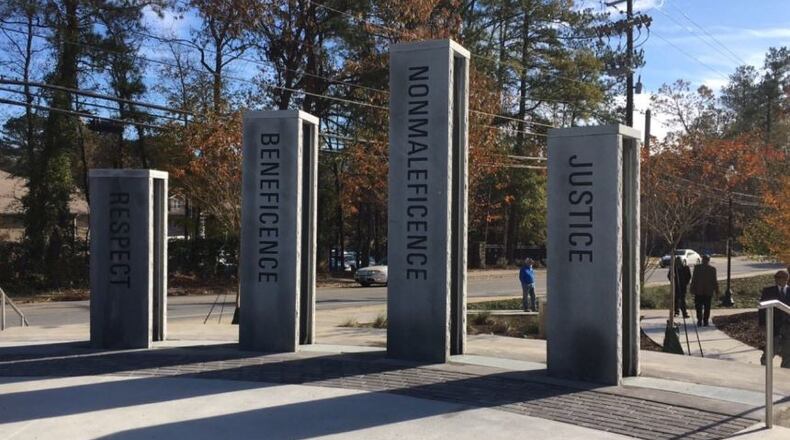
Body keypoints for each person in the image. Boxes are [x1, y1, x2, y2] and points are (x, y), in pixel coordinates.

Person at [759, 270, 790, 367]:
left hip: (788, 327)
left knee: (788, 352)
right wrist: (762, 324)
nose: (777, 279)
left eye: (780, 277)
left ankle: (785, 372)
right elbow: (762, 309)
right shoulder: (768, 291)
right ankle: (765, 370)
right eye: (776, 277)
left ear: (786, 279)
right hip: (774, 327)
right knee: (770, 350)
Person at [690, 255, 719, 326]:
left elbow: (714, 281)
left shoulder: (700, 268)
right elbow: (694, 279)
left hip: (702, 291)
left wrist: (716, 290)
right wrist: (717, 291)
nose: (705, 261)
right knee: (704, 307)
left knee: (702, 307)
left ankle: (702, 320)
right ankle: (703, 320)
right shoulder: (710, 269)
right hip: (704, 291)